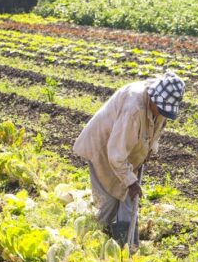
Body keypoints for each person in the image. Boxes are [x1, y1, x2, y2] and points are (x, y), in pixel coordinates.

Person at [73, 71, 185, 248]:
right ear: (154, 98)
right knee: (108, 202)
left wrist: (148, 152)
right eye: (161, 109)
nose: (163, 113)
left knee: (129, 203)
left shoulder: (159, 106)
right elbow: (115, 155)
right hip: (105, 149)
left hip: (125, 153)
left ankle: (128, 246)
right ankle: (89, 243)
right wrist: (131, 182)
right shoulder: (134, 108)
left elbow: (155, 130)